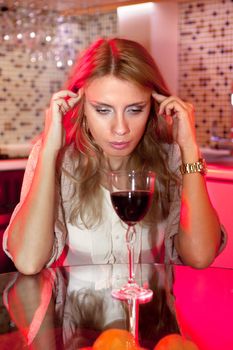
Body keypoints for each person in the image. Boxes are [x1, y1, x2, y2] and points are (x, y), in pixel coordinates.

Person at [3, 37, 226, 275]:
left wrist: (189, 150)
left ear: (153, 104)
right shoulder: (57, 157)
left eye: (135, 109)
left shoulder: (172, 156)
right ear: (80, 106)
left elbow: (200, 257)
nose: (120, 128)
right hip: (75, 312)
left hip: (148, 311)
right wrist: (48, 151)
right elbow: (28, 261)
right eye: (103, 110)